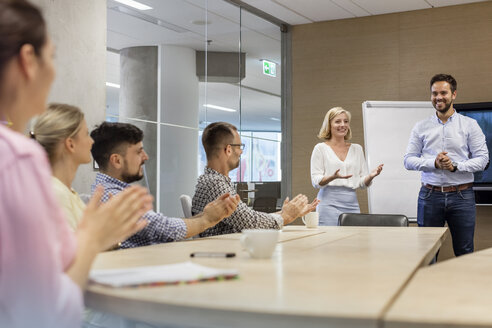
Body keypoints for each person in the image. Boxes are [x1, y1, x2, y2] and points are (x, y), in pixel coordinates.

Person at [0, 1, 154, 327]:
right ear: (28, 60)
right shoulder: (16, 159)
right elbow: (47, 311)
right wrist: (92, 239)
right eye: (52, 57)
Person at [90, 121, 240, 248]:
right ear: (117, 160)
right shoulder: (111, 196)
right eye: (138, 152)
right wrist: (207, 219)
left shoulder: (113, 191)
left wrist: (206, 215)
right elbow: (164, 230)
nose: (145, 157)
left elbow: (160, 224)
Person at [404, 73, 489, 256]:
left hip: (462, 196)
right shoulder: (421, 127)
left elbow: (483, 160)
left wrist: (455, 166)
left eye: (443, 93)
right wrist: (433, 162)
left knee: (465, 251)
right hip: (429, 196)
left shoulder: (470, 125)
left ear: (454, 94)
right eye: (434, 93)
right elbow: (408, 160)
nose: (438, 97)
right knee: (426, 253)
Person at [192, 121, 319, 236]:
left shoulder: (213, 180)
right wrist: (286, 216)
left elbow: (247, 218)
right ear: (229, 150)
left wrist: (286, 212)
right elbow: (249, 223)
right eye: (239, 146)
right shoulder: (215, 183)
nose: (241, 152)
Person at [310, 107, 383, 226]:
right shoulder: (320, 149)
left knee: (351, 242)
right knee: (328, 242)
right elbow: (316, 181)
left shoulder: (357, 149)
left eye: (346, 121)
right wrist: (332, 177)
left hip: (351, 203)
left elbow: (362, 183)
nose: (343, 125)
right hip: (328, 203)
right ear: (329, 125)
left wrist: (370, 176)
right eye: (338, 121)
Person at [32, 103, 92, 231]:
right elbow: (74, 250)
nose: (91, 141)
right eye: (87, 134)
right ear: (71, 144)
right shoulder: (56, 194)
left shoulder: (66, 191)